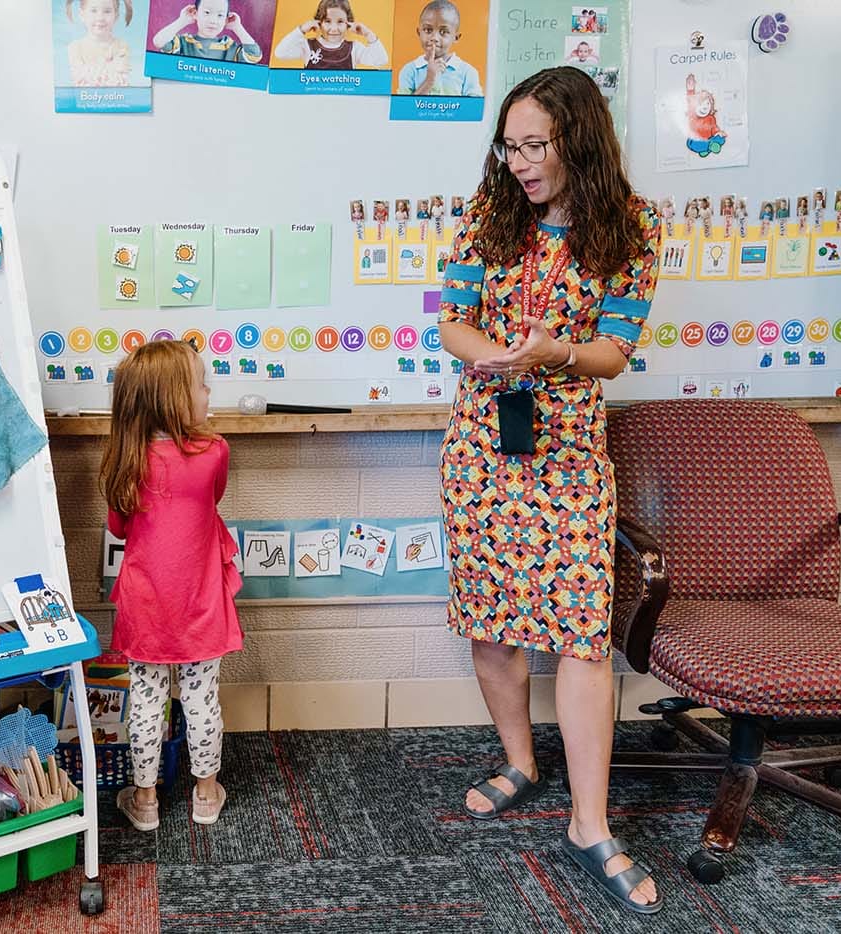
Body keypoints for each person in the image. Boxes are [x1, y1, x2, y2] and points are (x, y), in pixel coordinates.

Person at [436, 66, 663, 915]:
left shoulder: (632, 228)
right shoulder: (487, 213)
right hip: (484, 449)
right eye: (511, 144)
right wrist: (488, 354)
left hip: (569, 455)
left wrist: (553, 354)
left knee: (578, 634)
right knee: (493, 621)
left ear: (580, 139)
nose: (521, 162)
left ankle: (590, 823)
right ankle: (520, 761)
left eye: (537, 145)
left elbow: (614, 349)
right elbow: (451, 320)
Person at [100, 340, 241, 830]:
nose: (208, 392)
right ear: (175, 398)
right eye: (201, 384)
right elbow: (211, 500)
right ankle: (205, 795)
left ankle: (144, 801)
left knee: (145, 698)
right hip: (200, 599)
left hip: (146, 604)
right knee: (202, 697)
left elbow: (120, 529)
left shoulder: (125, 459)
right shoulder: (214, 452)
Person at [397, 0, 481, 96]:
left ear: (456, 37)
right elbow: (403, 108)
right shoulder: (409, 70)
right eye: (428, 30)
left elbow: (473, 109)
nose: (434, 38)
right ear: (419, 32)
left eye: (443, 32)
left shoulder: (468, 72)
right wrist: (429, 81)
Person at [274, 0, 388, 70]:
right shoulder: (307, 46)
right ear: (319, 22)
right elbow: (280, 53)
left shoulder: (354, 48)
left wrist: (368, 34)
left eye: (340, 22)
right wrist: (301, 30)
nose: (334, 29)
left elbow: (381, 60)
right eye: (327, 21)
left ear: (348, 23)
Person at [153, 0, 261, 63]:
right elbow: (159, 42)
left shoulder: (229, 46)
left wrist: (238, 28)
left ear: (226, 19)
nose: (213, 21)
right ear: (195, 13)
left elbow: (255, 56)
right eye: (207, 12)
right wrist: (181, 21)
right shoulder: (183, 42)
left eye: (220, 15)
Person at [66, 0, 134, 87]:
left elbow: (120, 81)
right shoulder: (75, 48)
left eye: (107, 11)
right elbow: (81, 80)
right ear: (82, 15)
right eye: (94, 10)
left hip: (115, 98)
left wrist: (94, 73)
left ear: (116, 16)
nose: (100, 17)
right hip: (87, 98)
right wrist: (108, 69)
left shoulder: (122, 46)